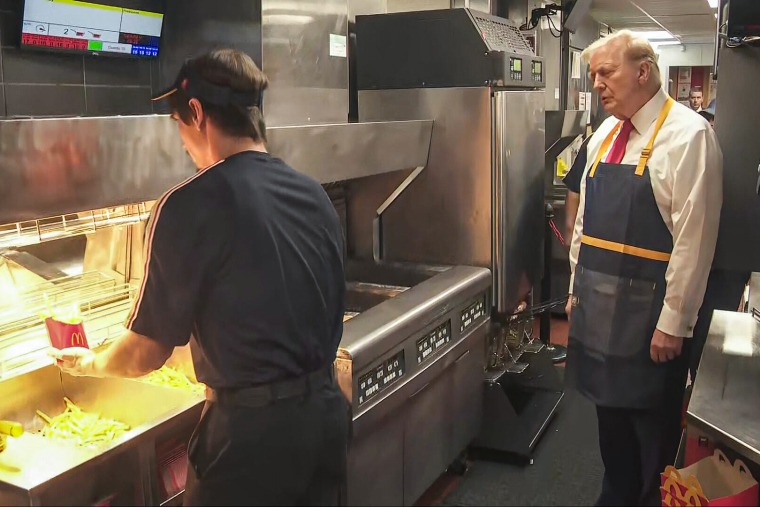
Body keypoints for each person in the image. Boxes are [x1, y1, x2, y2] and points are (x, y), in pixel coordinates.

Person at [50, 49, 349, 506]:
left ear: (196, 113)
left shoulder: (190, 203)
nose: (183, 145)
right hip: (325, 421)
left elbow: (146, 353)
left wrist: (90, 364)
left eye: (178, 127)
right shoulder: (312, 194)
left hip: (251, 441)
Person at [564, 30, 723, 506]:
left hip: (651, 325)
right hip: (599, 315)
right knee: (611, 437)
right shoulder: (604, 137)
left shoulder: (690, 137)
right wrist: (576, 288)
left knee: (651, 442)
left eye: (606, 72)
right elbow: (584, 227)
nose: (597, 84)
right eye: (593, 75)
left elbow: (695, 241)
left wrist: (674, 323)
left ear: (643, 72)